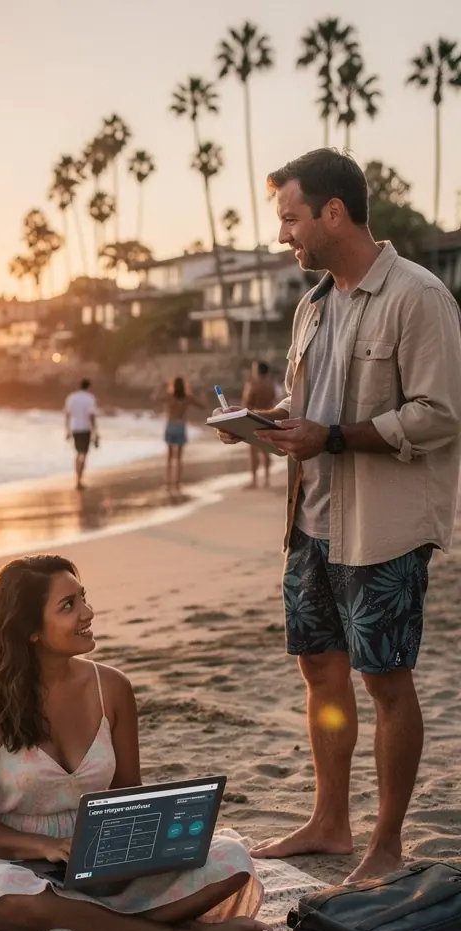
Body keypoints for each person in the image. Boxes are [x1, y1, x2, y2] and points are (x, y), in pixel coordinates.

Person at [216, 149, 461, 882]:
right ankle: (330, 822)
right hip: (311, 523)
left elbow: (441, 414)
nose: (285, 233)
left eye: (291, 217)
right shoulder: (313, 304)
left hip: (381, 530)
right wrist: (266, 423)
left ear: (332, 212)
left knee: (386, 681)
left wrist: (329, 437)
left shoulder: (418, 297)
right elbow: (311, 408)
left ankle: (385, 844)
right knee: (319, 669)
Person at [0, 555, 269, 931]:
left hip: (99, 855)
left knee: (232, 860)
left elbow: (127, 794)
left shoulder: (112, 688)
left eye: (83, 598)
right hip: (7, 858)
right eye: (68, 606)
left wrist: (140, 847)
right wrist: (42, 848)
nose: (87, 613)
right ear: (29, 630)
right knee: (8, 899)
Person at [162, 376, 205, 492]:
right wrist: (202, 394)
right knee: (179, 458)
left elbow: (155, 397)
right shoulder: (187, 398)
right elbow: (202, 406)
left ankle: (168, 483)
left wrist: (160, 388)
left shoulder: (169, 396)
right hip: (180, 426)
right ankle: (177, 483)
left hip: (170, 426)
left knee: (170, 457)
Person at [241, 361, 276, 488]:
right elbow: (274, 401)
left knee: (252, 451)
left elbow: (247, 403)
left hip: (253, 419)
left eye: (254, 369)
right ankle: (267, 479)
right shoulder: (270, 385)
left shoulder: (252, 385)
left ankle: (254, 480)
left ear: (258, 371)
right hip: (267, 418)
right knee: (266, 450)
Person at [64, 379, 98, 490]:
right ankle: (79, 480)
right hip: (85, 429)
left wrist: (67, 430)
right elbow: (91, 416)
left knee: (78, 453)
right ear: (89, 387)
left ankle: (77, 479)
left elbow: (67, 415)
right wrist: (95, 432)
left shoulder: (72, 397)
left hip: (75, 428)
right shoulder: (89, 398)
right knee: (83, 454)